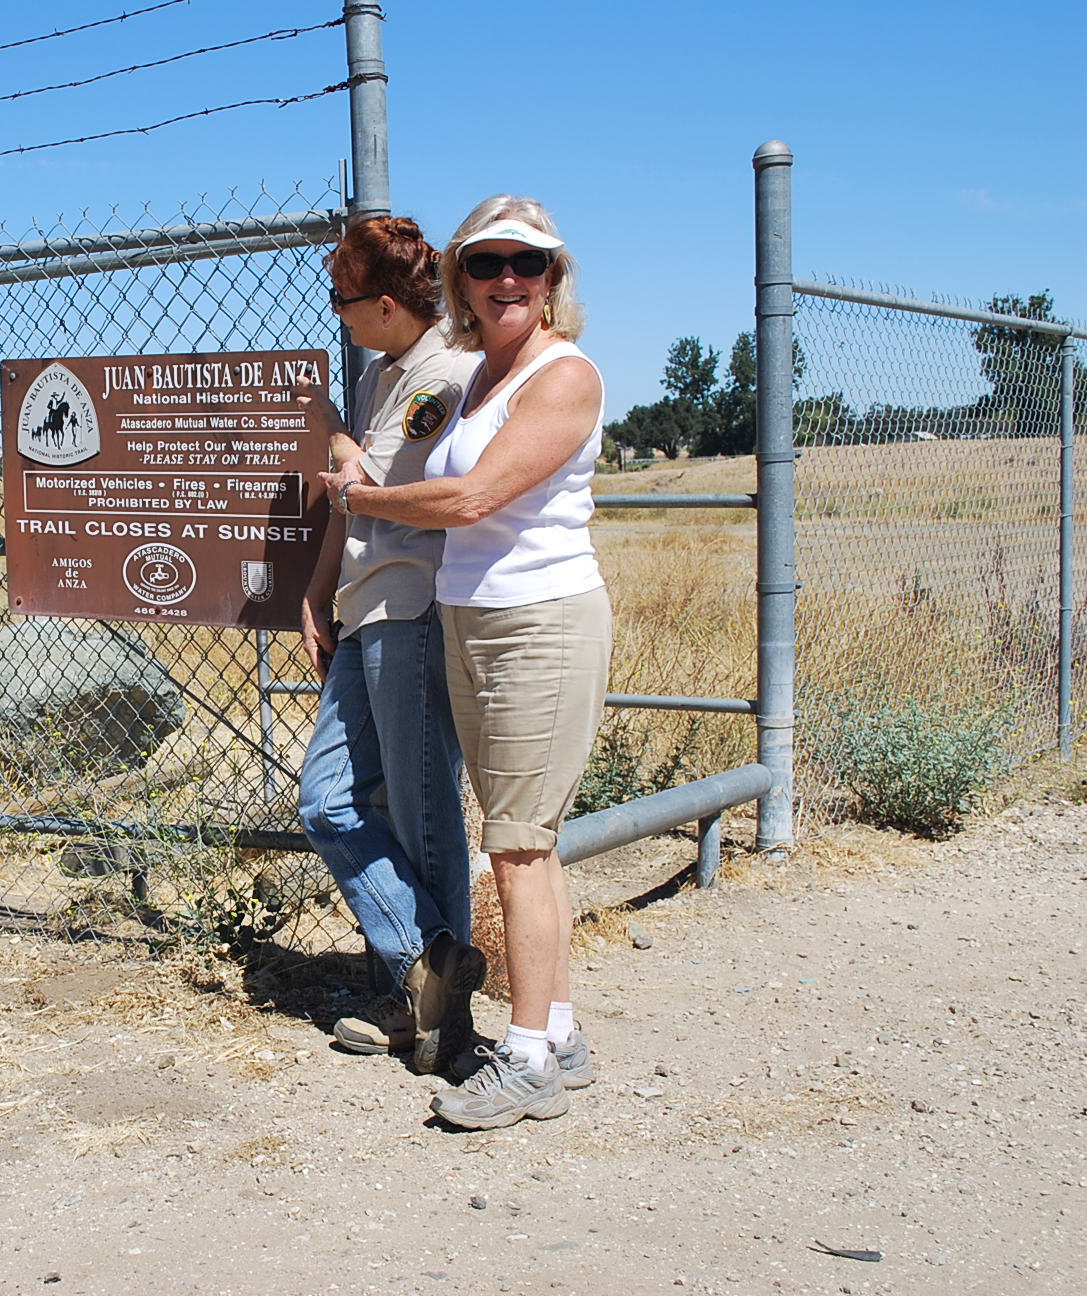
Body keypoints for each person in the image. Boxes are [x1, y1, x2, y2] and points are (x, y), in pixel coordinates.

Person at [318, 196, 610, 1129]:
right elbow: (425, 470)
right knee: (525, 840)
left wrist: (365, 494)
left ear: (554, 278)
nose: (505, 280)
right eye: (485, 264)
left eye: (526, 264)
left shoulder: (561, 376)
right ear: (460, 281)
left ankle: (518, 1055)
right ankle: (553, 1032)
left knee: (516, 844)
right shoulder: (481, 375)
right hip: (471, 617)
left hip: (537, 621)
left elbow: (476, 495)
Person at [293, 215, 487, 1076]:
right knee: (329, 799)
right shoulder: (382, 372)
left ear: (379, 304)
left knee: (423, 814)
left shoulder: (442, 371)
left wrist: (328, 433)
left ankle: (441, 1011)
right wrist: (314, 594)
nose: (334, 314)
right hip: (364, 606)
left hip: (408, 610)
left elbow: (364, 485)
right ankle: (425, 971)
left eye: (341, 300)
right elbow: (352, 501)